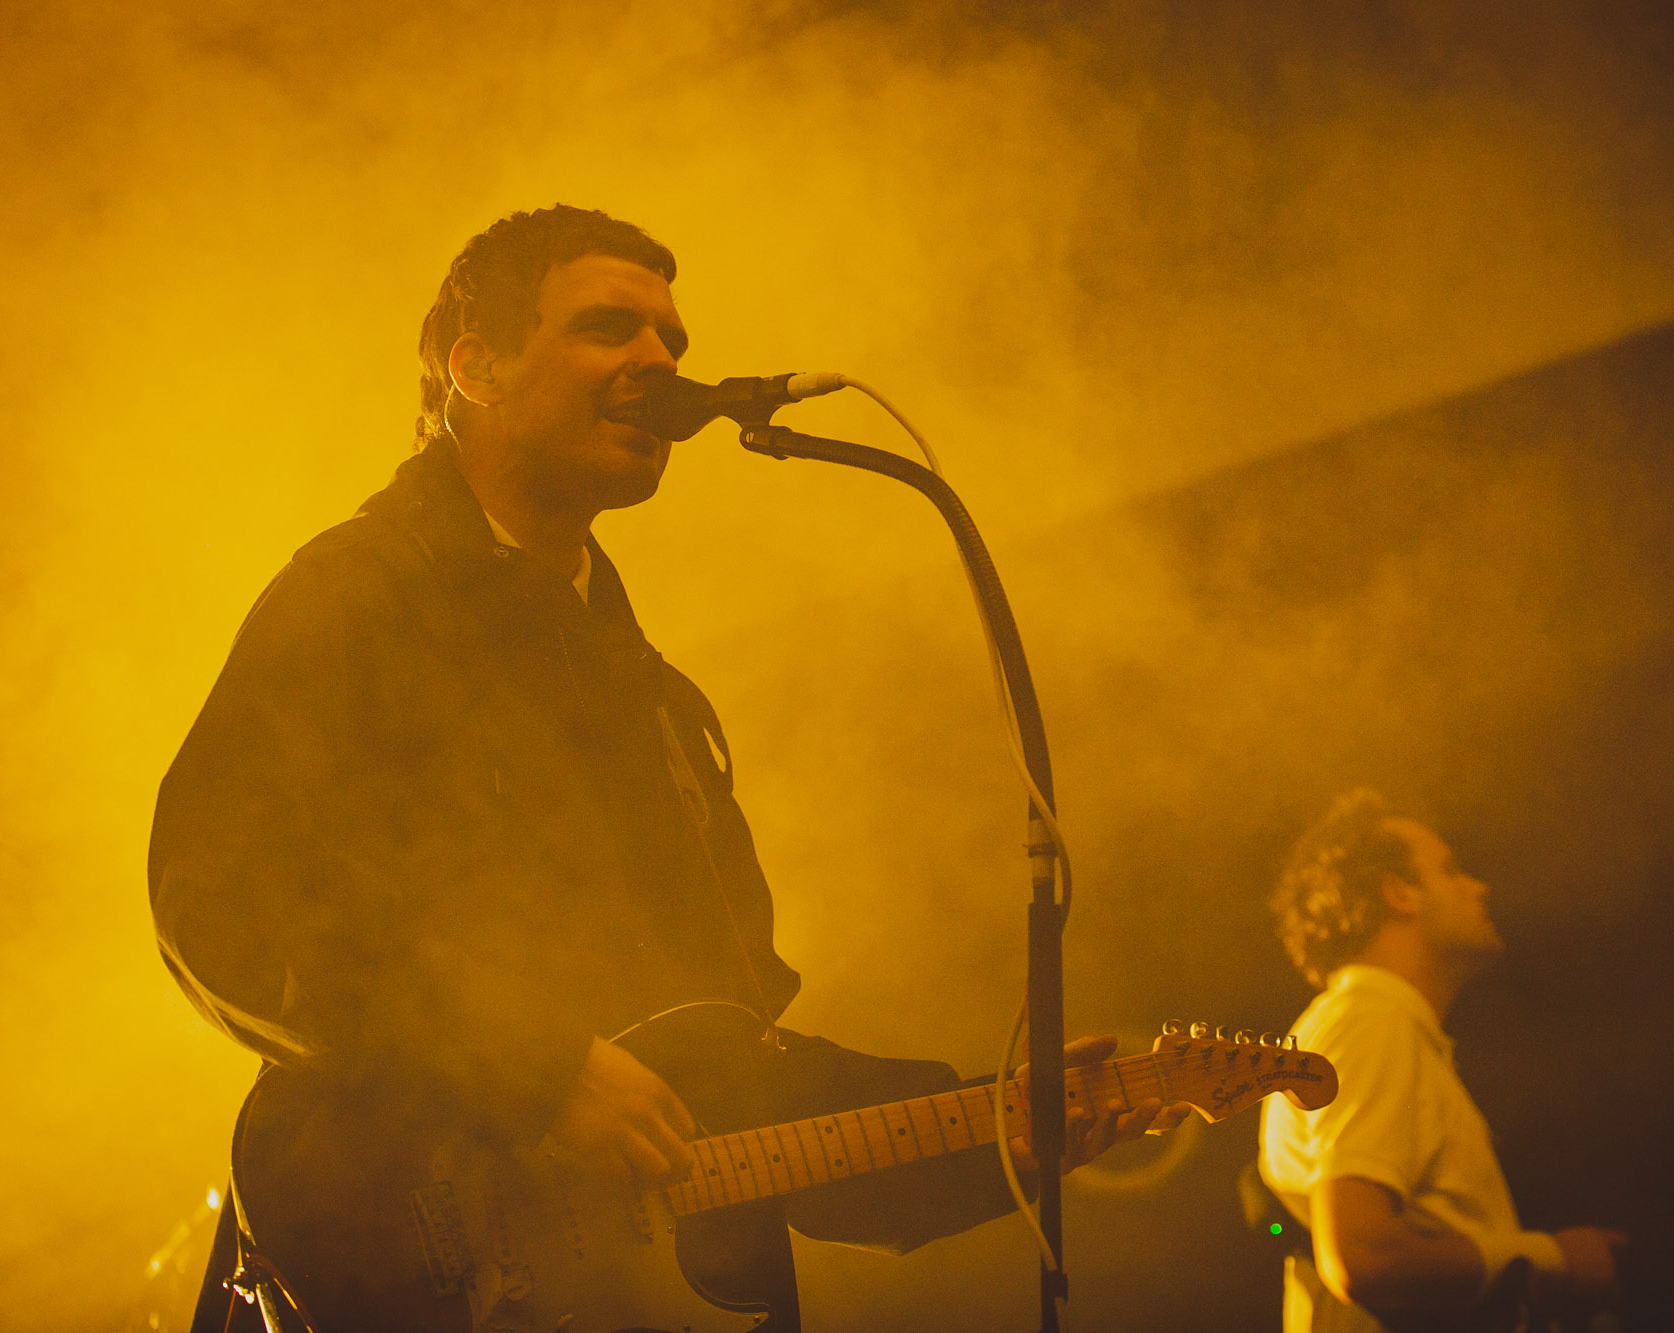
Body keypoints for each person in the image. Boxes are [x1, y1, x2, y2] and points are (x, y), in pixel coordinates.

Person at [149, 205, 1167, 1331]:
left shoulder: (648, 692)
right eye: (608, 328)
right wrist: (533, 1073)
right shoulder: (357, 599)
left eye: (672, 340)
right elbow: (220, 905)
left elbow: (734, 1081)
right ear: (476, 368)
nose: (660, 360)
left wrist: (992, 1131)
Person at [1258, 789, 1626, 1333]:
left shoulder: (1370, 1025)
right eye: (1451, 871)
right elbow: (1363, 1256)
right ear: (1400, 894)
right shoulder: (1372, 1021)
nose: (1478, 886)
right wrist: (1552, 1258)